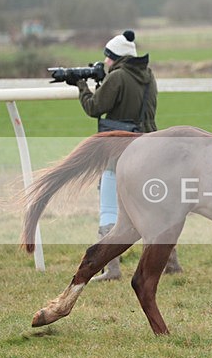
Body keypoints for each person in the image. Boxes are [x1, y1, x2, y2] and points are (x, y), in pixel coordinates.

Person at [76, 30, 180, 279]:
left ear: (115, 57)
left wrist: (82, 86)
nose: (105, 62)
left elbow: (94, 107)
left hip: (121, 153)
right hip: (152, 148)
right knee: (156, 208)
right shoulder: (148, 75)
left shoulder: (118, 77)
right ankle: (172, 263)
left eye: (107, 57)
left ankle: (111, 269)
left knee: (111, 208)